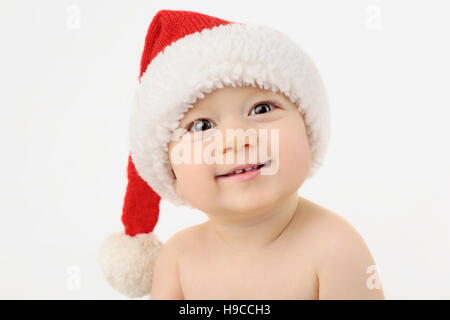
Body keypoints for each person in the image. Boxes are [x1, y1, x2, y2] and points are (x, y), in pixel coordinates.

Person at [100, 9, 385, 300]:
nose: (236, 139)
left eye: (261, 109)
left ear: (308, 131)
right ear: (174, 177)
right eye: (201, 126)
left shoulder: (334, 248)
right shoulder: (177, 260)